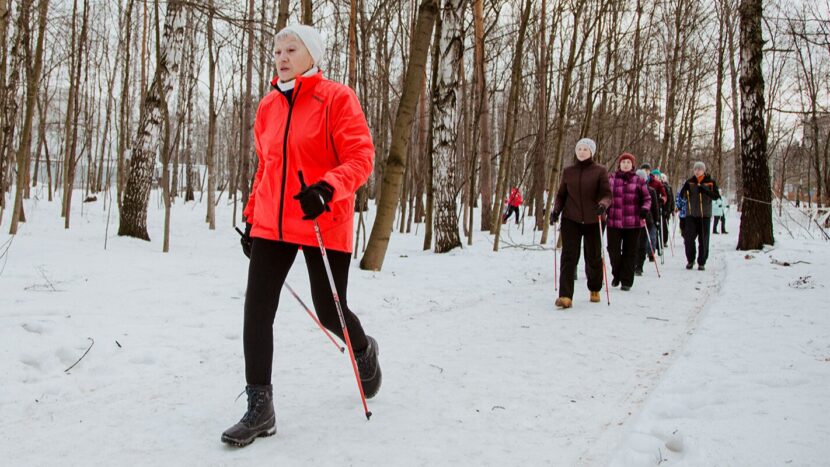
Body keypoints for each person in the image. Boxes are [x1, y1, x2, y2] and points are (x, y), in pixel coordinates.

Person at [223, 24, 381, 448]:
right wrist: (252, 217)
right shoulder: (268, 107)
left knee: (330, 312)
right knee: (257, 311)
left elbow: (361, 156)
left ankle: (363, 349)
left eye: (291, 49)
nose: (282, 56)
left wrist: (327, 188)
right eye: (277, 50)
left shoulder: (337, 99)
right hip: (273, 226)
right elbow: (266, 168)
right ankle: (261, 407)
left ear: (312, 55)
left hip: (322, 220)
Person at [550, 138, 612, 308]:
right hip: (571, 218)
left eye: (586, 149)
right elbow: (561, 195)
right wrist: (556, 210)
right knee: (569, 256)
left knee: (592, 256)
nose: (582, 151)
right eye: (579, 149)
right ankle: (565, 295)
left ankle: (594, 287)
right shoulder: (568, 171)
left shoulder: (600, 171)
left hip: (594, 219)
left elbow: (607, 194)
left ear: (591, 152)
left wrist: (603, 205)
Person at [606, 153, 651, 291]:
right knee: (613, 250)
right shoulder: (611, 179)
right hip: (614, 221)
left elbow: (647, 198)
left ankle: (626, 281)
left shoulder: (639, 180)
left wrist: (644, 209)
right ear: (619, 164)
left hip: (633, 222)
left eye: (628, 162)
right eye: (623, 162)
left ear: (632, 165)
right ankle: (617, 274)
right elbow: (605, 195)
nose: (626, 164)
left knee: (629, 252)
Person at [678, 161, 721, 270]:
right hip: (691, 214)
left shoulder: (710, 182)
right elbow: (682, 196)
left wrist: (706, 191)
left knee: (703, 239)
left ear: (704, 170)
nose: (697, 171)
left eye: (699, 169)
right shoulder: (689, 182)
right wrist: (684, 191)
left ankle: (702, 262)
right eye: (696, 169)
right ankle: (690, 260)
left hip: (704, 215)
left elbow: (716, 196)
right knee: (688, 239)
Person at [634, 169, 660, 276]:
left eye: (642, 178)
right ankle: (633, 264)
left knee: (641, 244)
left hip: (646, 220)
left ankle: (639, 266)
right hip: (632, 220)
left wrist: (656, 220)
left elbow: (655, 207)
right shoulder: (631, 189)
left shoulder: (651, 190)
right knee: (634, 244)